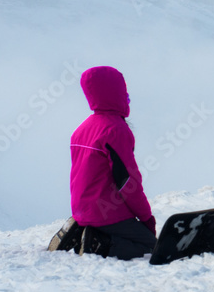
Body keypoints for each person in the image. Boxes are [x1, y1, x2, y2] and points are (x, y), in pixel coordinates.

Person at [48, 65, 157, 259]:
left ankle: (79, 232)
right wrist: (146, 217)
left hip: (81, 209)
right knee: (149, 245)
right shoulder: (115, 130)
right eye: (123, 90)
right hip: (106, 213)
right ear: (115, 93)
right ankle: (98, 244)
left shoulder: (82, 129)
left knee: (130, 234)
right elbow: (127, 182)